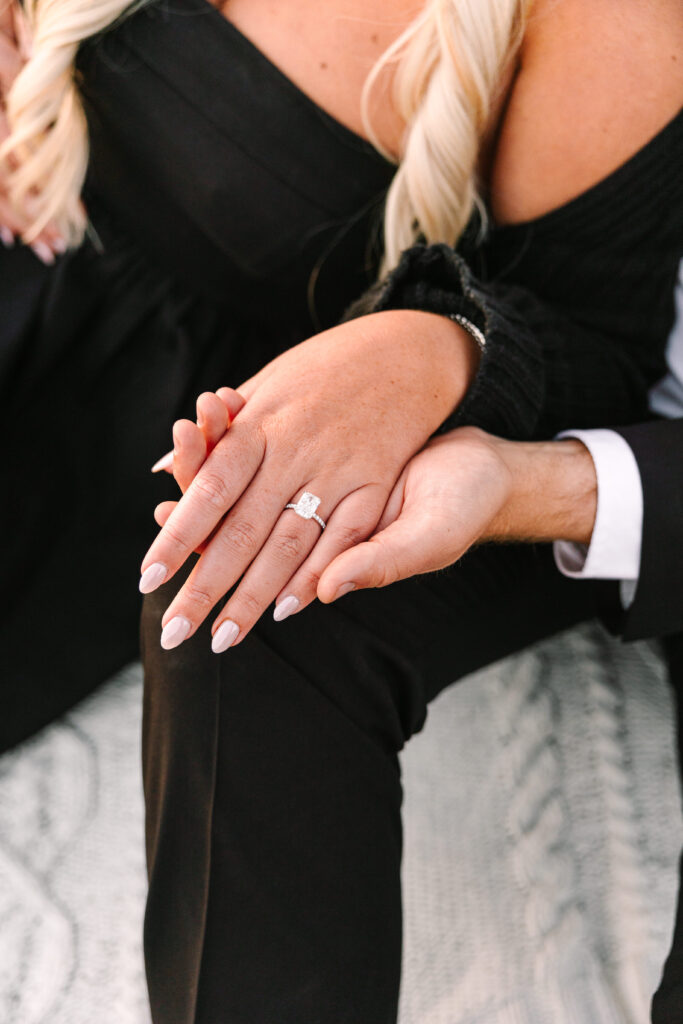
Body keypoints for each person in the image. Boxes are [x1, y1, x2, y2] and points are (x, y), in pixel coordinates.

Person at [1, 1, 681, 1022]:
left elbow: (597, 354)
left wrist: (440, 343)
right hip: (41, 271)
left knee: (246, 596)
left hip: (191, 395)